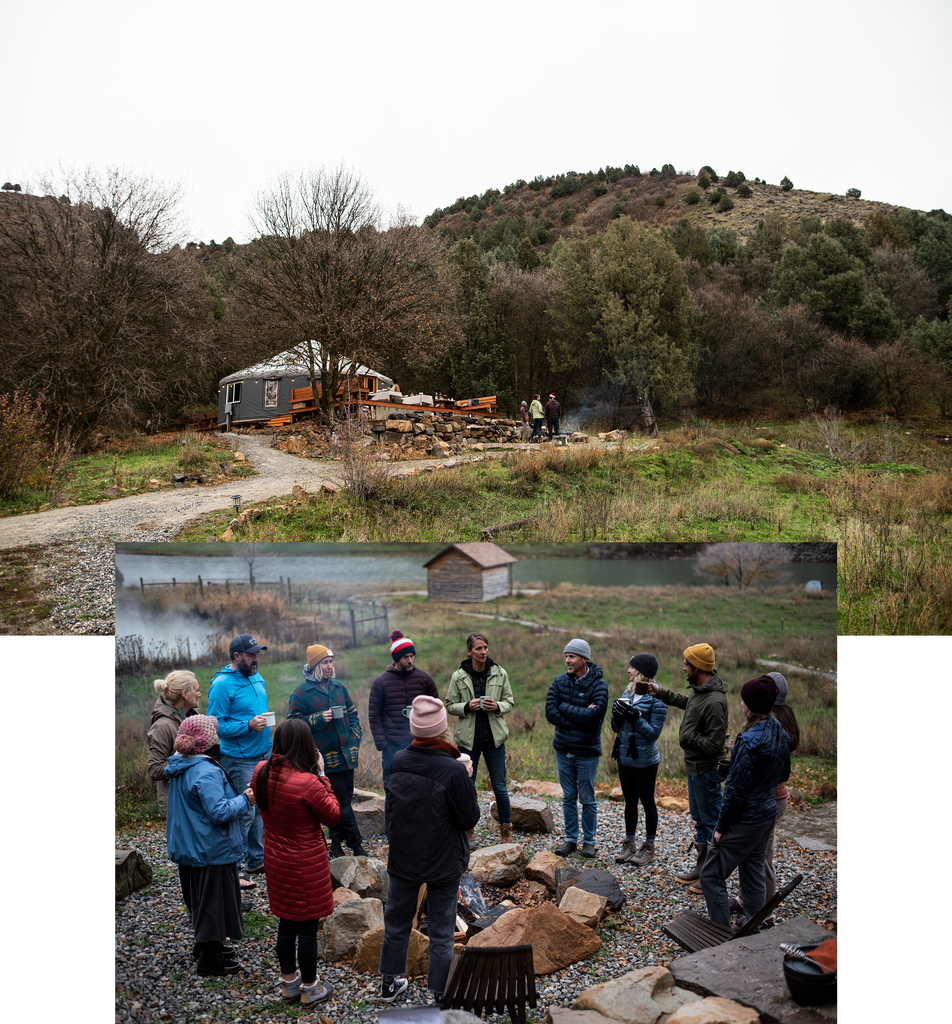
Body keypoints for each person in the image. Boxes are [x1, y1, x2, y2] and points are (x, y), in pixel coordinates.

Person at [378, 695, 480, 1004]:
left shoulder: (398, 761)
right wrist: (467, 780)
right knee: (441, 928)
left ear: (415, 729)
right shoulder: (452, 770)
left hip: (404, 856)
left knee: (396, 921)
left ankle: (389, 984)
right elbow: (469, 817)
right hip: (443, 860)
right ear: (443, 729)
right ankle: (439, 993)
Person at [251, 718, 340, 1008]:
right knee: (307, 929)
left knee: (286, 924)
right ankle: (311, 989)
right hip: (305, 865)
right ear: (306, 745)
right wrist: (323, 774)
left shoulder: (260, 772)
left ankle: (290, 985)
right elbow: (333, 815)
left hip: (276, 860)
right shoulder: (308, 782)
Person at [164, 715, 256, 976]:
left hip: (191, 845)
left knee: (200, 899)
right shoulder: (206, 770)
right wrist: (245, 799)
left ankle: (205, 945)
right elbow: (219, 812)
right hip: (211, 847)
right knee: (214, 902)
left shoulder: (180, 765)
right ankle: (210, 959)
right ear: (208, 742)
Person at [699, 675, 790, 929]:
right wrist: (759, 780)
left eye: (743, 699)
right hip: (766, 813)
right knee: (752, 871)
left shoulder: (749, 742)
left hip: (747, 818)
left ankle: (719, 931)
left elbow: (735, 793)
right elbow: (783, 774)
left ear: (752, 705)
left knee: (710, 874)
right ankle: (753, 923)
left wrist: (720, 828)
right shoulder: (781, 733)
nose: (740, 703)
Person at [647, 643, 728, 886]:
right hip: (694, 767)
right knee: (699, 819)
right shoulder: (699, 690)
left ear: (699, 668)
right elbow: (688, 703)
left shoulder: (715, 701)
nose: (683, 667)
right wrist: (662, 692)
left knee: (713, 822)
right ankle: (702, 868)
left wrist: (687, 736)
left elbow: (715, 746)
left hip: (707, 771)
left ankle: (712, 878)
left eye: (687, 664)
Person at [730, 671, 800, 923]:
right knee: (752, 854)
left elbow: (783, 769)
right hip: (765, 797)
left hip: (768, 798)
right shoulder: (773, 718)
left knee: (762, 856)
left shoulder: (774, 721)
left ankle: (763, 913)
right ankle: (744, 898)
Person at [287, 644, 368, 859]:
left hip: (346, 756)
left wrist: (355, 737)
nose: (329, 666)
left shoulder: (338, 687)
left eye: (331, 662)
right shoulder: (301, 692)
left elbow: (353, 713)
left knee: (340, 802)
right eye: (325, 662)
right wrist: (318, 718)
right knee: (342, 803)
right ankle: (357, 846)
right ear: (315, 665)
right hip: (322, 757)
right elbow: (292, 723)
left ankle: (336, 844)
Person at [207, 634, 272, 875]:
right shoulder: (222, 685)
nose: (256, 658)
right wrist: (247, 726)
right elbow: (215, 725)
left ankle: (256, 859)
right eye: (250, 654)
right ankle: (233, 868)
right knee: (243, 812)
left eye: (257, 654)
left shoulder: (256, 676)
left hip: (264, 752)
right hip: (239, 758)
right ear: (236, 656)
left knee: (258, 809)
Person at [444, 632, 515, 845]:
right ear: (469, 652)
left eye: (485, 647)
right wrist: (467, 706)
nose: (483, 652)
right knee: (468, 787)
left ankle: (505, 830)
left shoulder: (499, 673)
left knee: (500, 787)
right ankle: (469, 830)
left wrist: (497, 706)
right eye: (478, 648)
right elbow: (449, 705)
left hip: (494, 740)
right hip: (468, 741)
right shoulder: (458, 676)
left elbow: (509, 702)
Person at [368, 631, 440, 838]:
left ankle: (423, 830)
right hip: (393, 746)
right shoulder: (381, 682)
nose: (410, 660)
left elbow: (437, 707)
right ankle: (393, 834)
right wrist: (382, 742)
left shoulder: (424, 678)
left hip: (421, 743)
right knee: (393, 790)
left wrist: (434, 739)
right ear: (396, 659)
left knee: (424, 787)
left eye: (412, 656)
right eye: (405, 657)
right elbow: (374, 714)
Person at [545, 638, 609, 858]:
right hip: (563, 749)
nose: (567, 660)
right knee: (568, 796)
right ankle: (571, 840)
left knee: (588, 798)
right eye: (566, 656)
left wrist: (565, 708)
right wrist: (577, 714)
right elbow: (551, 713)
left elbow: (593, 718)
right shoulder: (559, 681)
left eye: (571, 656)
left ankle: (589, 841)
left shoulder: (599, 685)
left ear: (584, 658)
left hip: (587, 752)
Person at [610, 653, 667, 866]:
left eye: (631, 668)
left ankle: (649, 846)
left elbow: (653, 734)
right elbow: (616, 729)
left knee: (647, 801)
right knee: (630, 801)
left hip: (645, 761)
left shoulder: (657, 698)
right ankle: (630, 843)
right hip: (625, 758)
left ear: (641, 672)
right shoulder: (628, 691)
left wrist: (636, 718)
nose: (628, 671)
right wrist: (616, 716)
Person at [149, 670, 202, 817]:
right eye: (196, 690)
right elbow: (154, 770)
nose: (200, 694)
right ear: (184, 694)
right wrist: (186, 762)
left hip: (193, 799)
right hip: (177, 804)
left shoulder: (192, 718)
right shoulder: (162, 726)